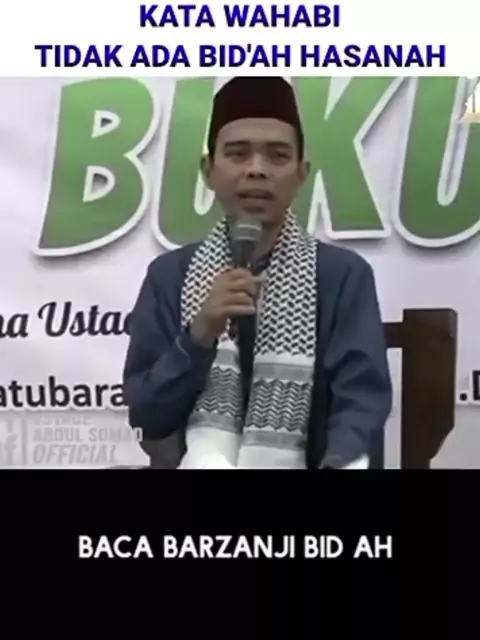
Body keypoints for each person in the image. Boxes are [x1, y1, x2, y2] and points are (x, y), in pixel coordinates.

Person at [122, 76, 392, 469]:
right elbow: (147, 414)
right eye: (237, 154)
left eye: (277, 156)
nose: (256, 170)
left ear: (302, 173)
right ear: (208, 170)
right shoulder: (170, 277)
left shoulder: (343, 277)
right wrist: (199, 336)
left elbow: (360, 404)